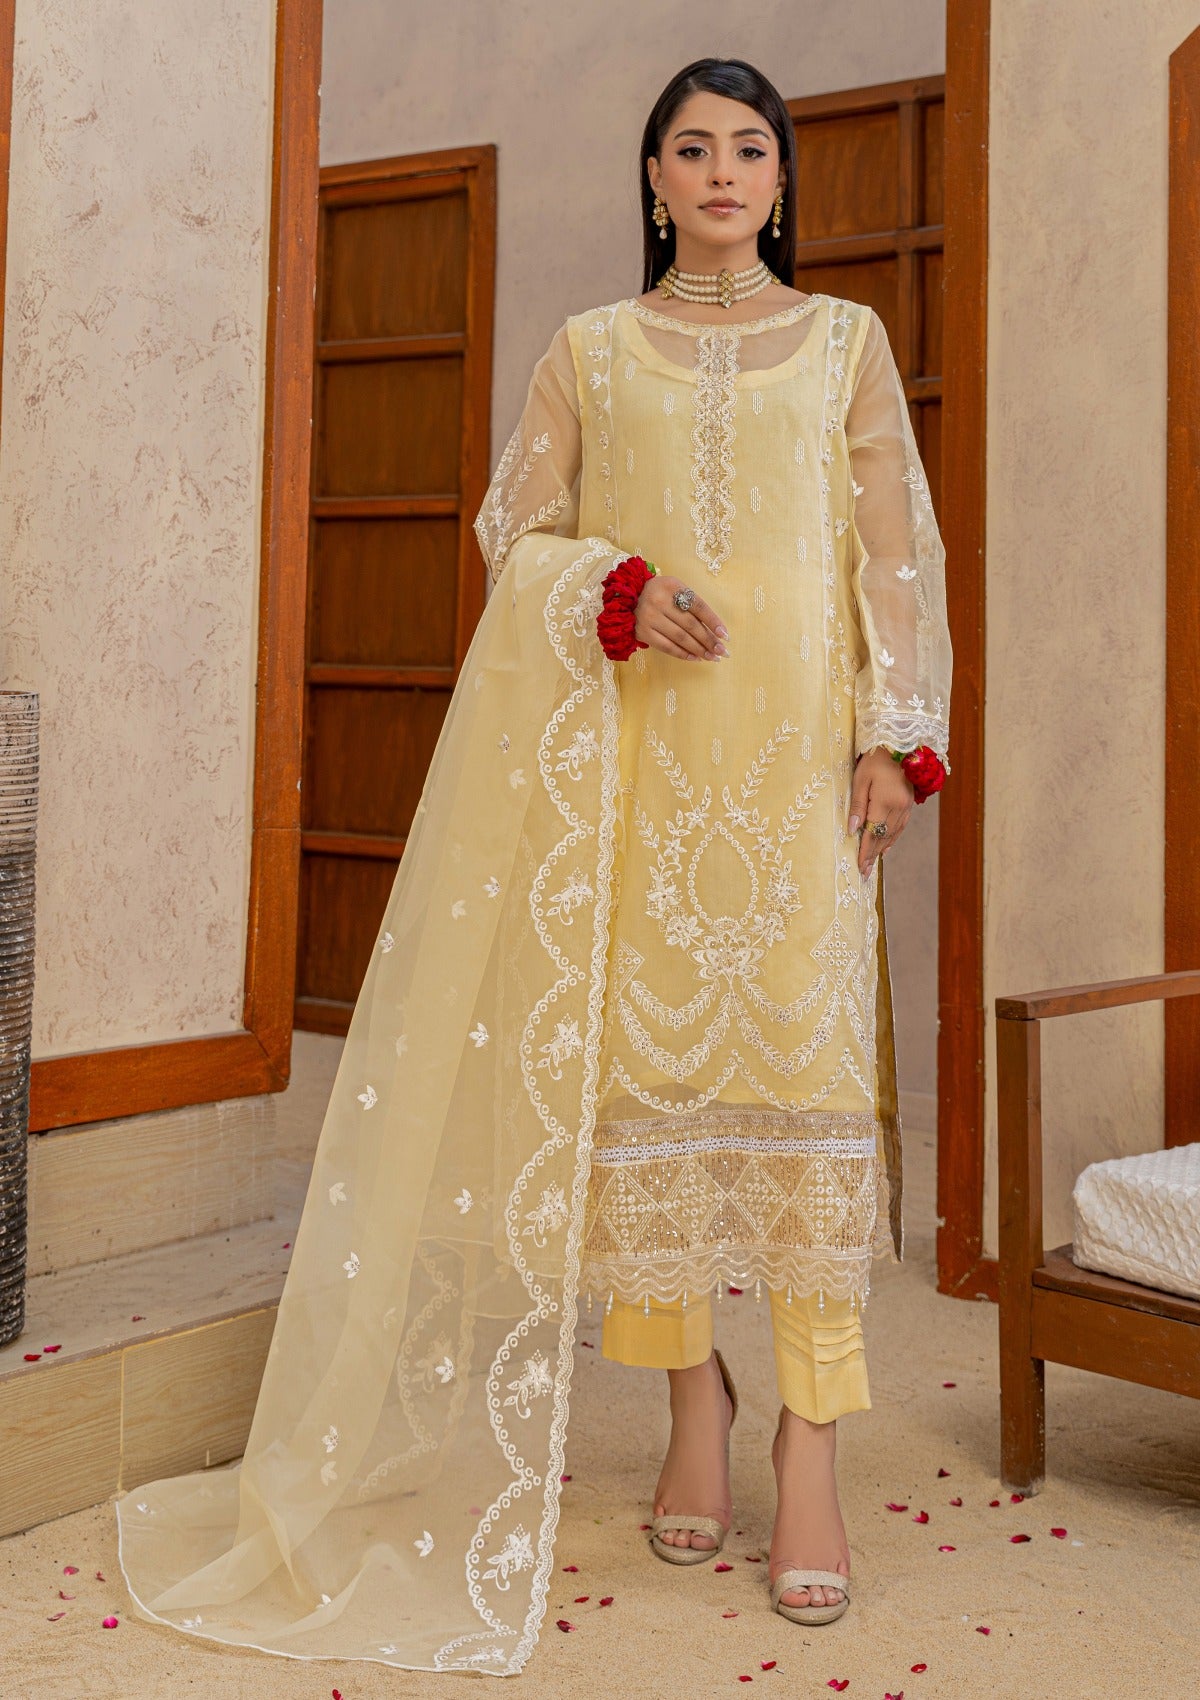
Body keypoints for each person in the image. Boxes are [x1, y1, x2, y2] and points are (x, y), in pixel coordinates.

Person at [114, 55, 950, 1675]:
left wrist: (895, 738)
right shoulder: (592, 349)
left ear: (782, 180)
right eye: (692, 148)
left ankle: (812, 1451)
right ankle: (693, 1403)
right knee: (645, 1109)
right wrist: (613, 595)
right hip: (643, 778)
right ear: (655, 179)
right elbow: (517, 533)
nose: (723, 172)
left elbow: (892, 554)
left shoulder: (848, 344)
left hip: (798, 787)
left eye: (750, 148)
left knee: (804, 1107)